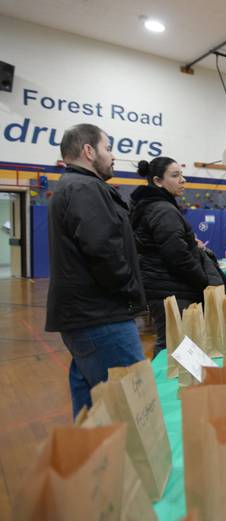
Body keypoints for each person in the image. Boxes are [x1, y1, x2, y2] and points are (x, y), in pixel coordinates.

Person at [45, 123, 146, 418]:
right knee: (129, 406)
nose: (113, 156)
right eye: (108, 148)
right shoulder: (84, 188)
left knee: (92, 407)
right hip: (101, 318)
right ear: (89, 151)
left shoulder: (74, 187)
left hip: (88, 318)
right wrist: (129, 289)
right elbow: (103, 249)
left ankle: (94, 462)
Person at [129, 157, 208, 358]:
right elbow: (177, 256)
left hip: (163, 287)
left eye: (181, 174)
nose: (182, 180)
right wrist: (202, 280)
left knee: (172, 343)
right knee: (172, 346)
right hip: (171, 289)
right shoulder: (163, 209)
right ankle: (163, 389)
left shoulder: (152, 206)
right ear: (157, 181)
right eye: (175, 175)